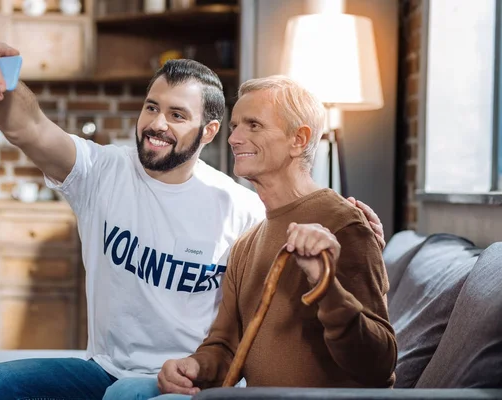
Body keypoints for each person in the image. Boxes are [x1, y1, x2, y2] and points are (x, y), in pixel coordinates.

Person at [0, 38, 386, 400]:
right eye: (151, 107)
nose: (157, 124)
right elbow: (28, 128)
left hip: (185, 382)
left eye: (177, 115)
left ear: (208, 131)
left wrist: (351, 236)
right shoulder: (102, 171)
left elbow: (294, 253)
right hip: (103, 368)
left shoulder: (244, 208)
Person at [113, 75, 397, 400]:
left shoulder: (343, 223)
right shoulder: (247, 243)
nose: (233, 138)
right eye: (235, 126)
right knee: (127, 390)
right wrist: (194, 366)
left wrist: (326, 286)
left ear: (298, 139)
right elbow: (225, 347)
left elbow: (380, 363)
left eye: (253, 125)